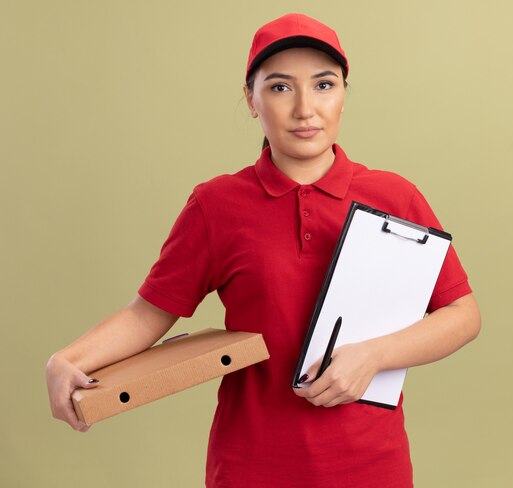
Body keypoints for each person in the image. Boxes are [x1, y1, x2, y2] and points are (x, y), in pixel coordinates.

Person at [46, 13, 481, 487]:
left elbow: (462, 314)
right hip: (250, 467)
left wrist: (375, 355)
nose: (304, 109)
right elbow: (147, 315)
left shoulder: (396, 197)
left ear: (343, 96)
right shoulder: (217, 205)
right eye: (279, 87)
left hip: (371, 467)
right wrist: (68, 360)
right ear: (251, 100)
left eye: (323, 85)